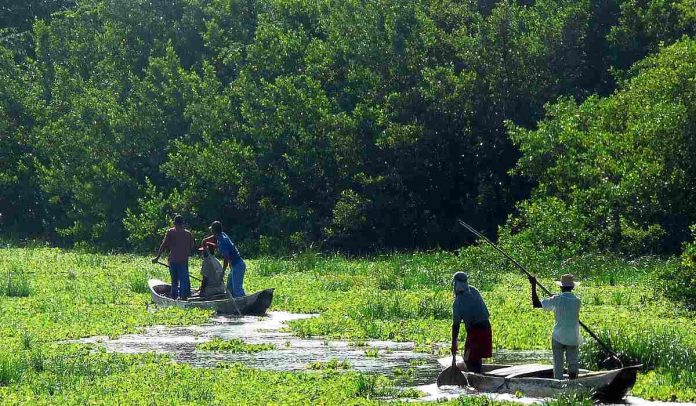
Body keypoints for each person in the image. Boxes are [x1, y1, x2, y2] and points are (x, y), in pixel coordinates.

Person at [529, 274, 583, 380]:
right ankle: (573, 382)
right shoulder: (577, 301)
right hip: (573, 336)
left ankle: (558, 382)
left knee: (558, 364)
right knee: (573, 363)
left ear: (561, 287)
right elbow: (565, 301)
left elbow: (536, 304)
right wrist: (554, 297)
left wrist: (534, 285)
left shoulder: (556, 299)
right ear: (572, 287)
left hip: (558, 336)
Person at [450, 271, 492, 373]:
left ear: (455, 284)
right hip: (486, 328)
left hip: (475, 331)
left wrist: (454, 344)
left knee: (469, 359)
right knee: (476, 357)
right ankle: (478, 374)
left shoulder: (457, 303)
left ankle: (474, 378)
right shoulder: (474, 290)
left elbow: (456, 326)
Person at [152, 215, 195, 300]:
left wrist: (157, 257)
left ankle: (177, 297)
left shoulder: (172, 232)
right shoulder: (187, 234)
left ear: (175, 223)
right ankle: (181, 297)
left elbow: (163, 245)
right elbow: (192, 247)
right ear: (182, 224)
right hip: (178, 261)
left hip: (176, 261)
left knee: (176, 281)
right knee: (182, 280)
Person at [201, 221, 246, 297]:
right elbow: (212, 239)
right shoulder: (222, 235)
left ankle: (243, 303)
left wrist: (223, 272)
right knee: (229, 288)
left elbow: (226, 258)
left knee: (237, 290)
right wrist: (205, 241)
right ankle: (230, 304)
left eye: (212, 230)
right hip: (234, 266)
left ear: (214, 231)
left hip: (237, 265)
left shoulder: (222, 241)